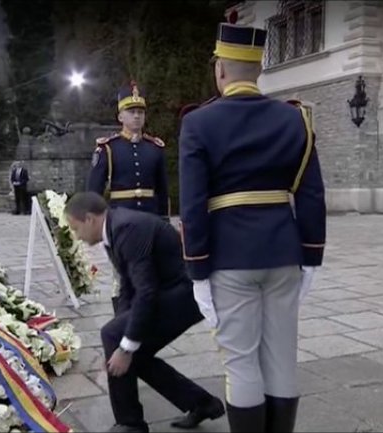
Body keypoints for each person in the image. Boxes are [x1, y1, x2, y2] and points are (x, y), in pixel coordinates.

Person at [177, 22, 326, 433]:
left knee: (241, 361)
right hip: (283, 253)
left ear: (220, 70)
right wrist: (311, 258)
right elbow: (311, 195)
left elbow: (192, 205)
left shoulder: (199, 123)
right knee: (281, 358)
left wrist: (197, 269)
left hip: (230, 256)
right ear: (258, 70)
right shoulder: (295, 119)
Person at [64, 192, 225, 433]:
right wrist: (122, 342)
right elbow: (129, 285)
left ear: (89, 219)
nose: (76, 236)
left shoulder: (128, 229)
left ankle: (130, 424)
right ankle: (202, 404)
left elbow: (145, 292)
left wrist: (124, 345)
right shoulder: (115, 229)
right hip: (169, 292)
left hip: (186, 295)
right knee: (129, 352)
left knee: (114, 336)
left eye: (76, 229)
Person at [87, 81, 171, 310]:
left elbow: (162, 190)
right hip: (120, 224)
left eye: (140, 112)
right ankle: (122, 321)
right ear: (120, 116)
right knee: (123, 278)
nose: (137, 116)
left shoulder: (155, 148)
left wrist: (165, 223)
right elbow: (93, 190)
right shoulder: (108, 148)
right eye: (131, 112)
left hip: (150, 224)